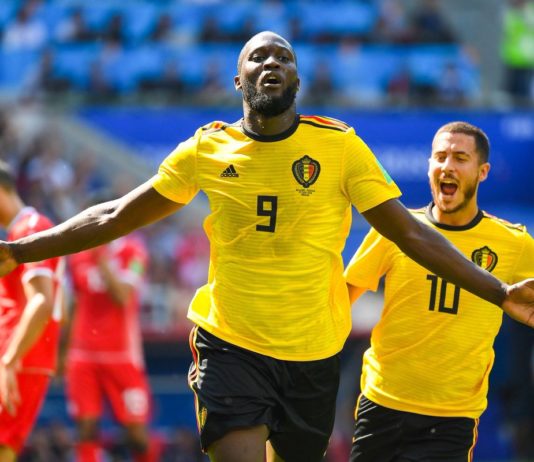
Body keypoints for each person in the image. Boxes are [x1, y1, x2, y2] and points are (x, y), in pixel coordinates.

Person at [0, 32, 532, 462]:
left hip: (312, 355)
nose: (272, 62)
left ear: (297, 79)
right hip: (231, 344)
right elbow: (115, 214)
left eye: (284, 57)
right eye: (258, 57)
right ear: (239, 79)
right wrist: (21, 251)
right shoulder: (207, 149)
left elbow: (411, 233)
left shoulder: (340, 147)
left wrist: (500, 291)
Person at [344, 121, 534, 461]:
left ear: (483, 171)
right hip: (382, 404)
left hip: (452, 417)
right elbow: (341, 300)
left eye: (460, 158)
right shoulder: (396, 230)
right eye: (441, 157)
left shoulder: (515, 243)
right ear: (429, 165)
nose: (448, 165)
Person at [64, 203, 156, 462]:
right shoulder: (77, 256)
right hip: (83, 354)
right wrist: (63, 352)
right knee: (86, 428)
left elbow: (123, 295)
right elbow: (75, 304)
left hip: (121, 355)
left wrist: (101, 258)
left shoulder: (135, 253)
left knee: (136, 434)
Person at [0, 160, 64, 461]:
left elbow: (42, 300)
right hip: (18, 354)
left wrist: (10, 360)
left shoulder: (32, 229)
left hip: (19, 358)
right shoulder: (17, 231)